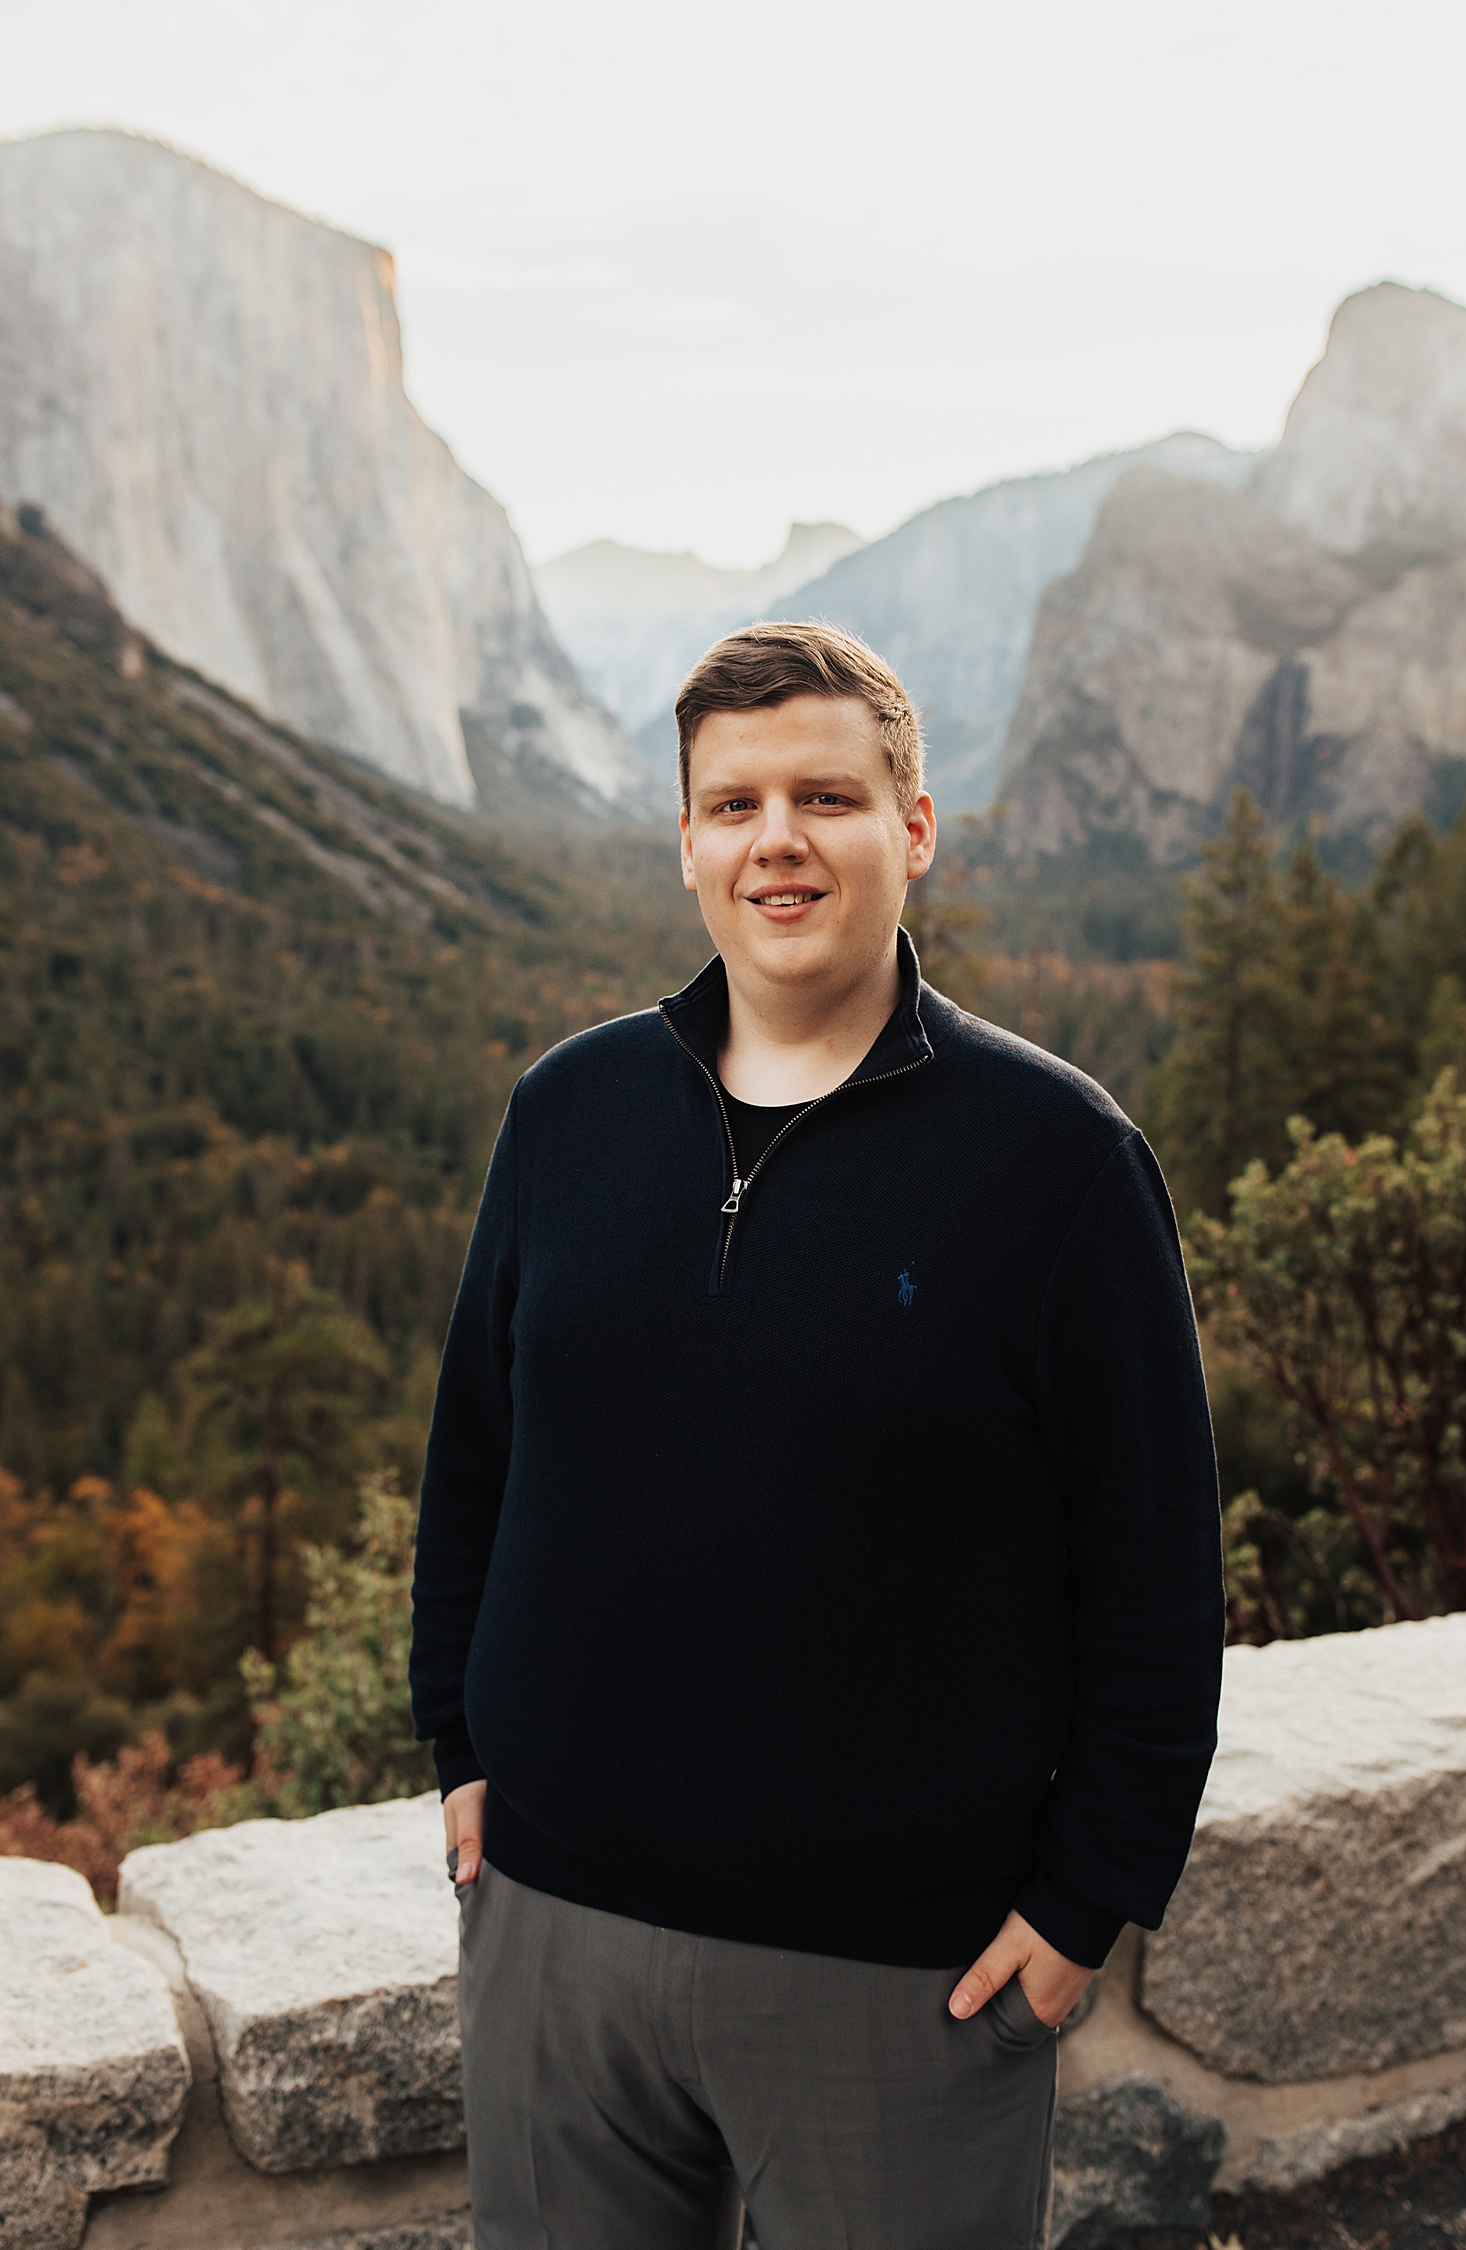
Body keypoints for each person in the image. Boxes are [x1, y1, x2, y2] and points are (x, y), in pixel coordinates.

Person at [410, 622, 1224, 2250]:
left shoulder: (1058, 1161)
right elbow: (477, 1461)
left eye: (826, 797)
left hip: (894, 1978)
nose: (776, 840)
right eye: (734, 804)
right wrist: (461, 1744)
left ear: (912, 830)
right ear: (691, 846)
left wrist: (1082, 1903)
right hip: (555, 1936)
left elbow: (1156, 1570)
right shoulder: (565, 1115)